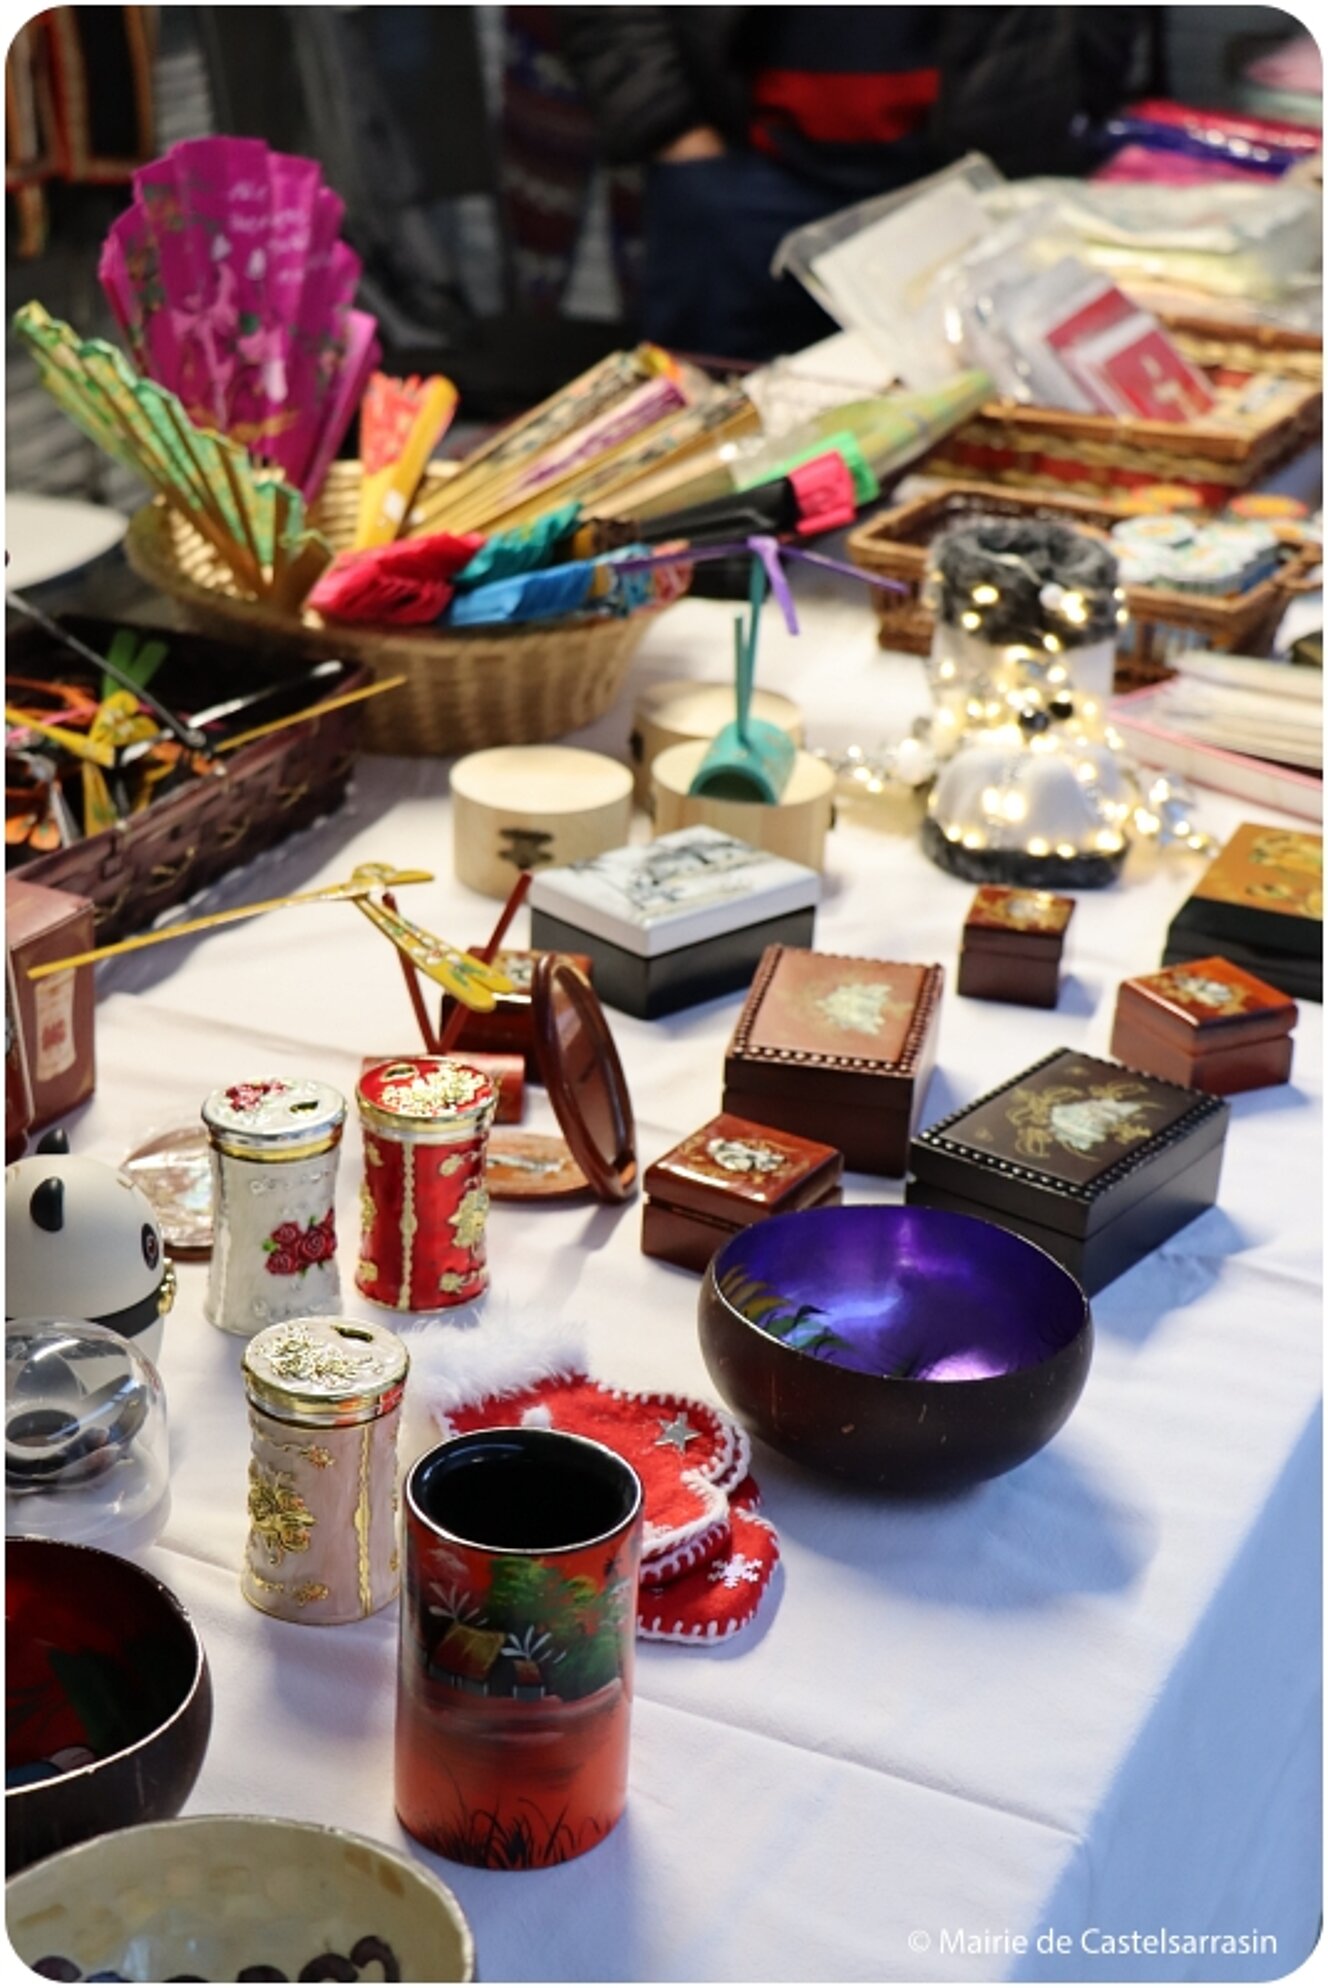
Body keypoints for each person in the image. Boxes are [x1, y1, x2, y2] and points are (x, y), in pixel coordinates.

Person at [560, 6, 1149, 360]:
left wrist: (1069, 101)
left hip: (972, 183)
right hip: (737, 181)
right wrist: (669, 128)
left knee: (969, 458)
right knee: (710, 453)